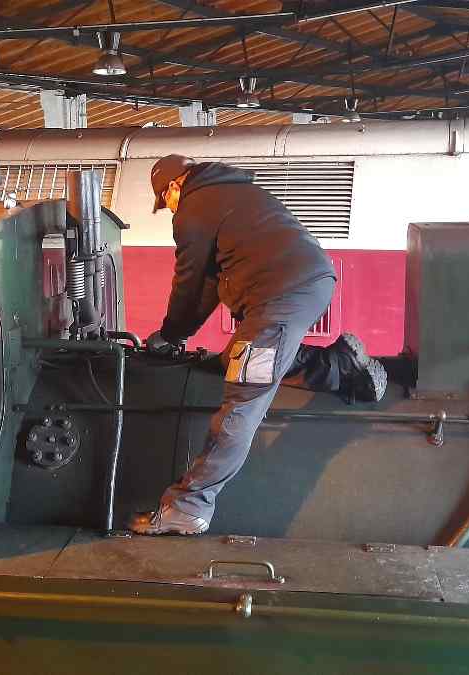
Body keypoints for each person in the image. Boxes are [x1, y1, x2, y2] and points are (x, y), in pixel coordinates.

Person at [129, 154, 388, 536]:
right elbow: (208, 285)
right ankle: (341, 367)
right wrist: (179, 334)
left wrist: (170, 335)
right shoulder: (234, 191)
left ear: (174, 186)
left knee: (242, 401)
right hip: (308, 284)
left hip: (281, 297)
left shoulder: (193, 208)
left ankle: (189, 506)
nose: (168, 208)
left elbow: (189, 281)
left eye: (164, 200)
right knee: (238, 359)